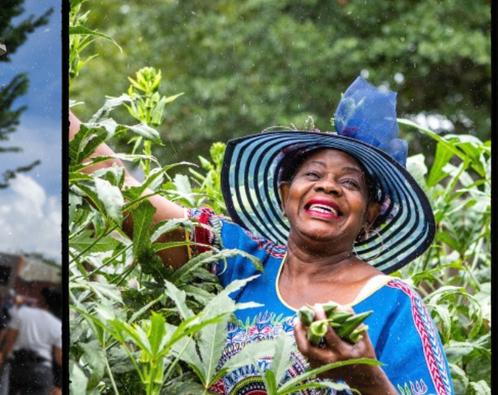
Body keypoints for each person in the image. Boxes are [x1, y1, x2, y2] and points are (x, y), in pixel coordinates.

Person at [70, 77, 453, 394]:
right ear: (287, 196)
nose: (329, 186)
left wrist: (365, 379)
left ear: (369, 214)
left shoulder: (394, 305)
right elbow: (126, 197)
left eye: (349, 183)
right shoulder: (237, 260)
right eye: (313, 175)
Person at [0, 287, 62, 395]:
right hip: (42, 370)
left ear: (44, 301)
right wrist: (58, 383)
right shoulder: (58, 325)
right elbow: (59, 358)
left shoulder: (24, 312)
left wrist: (3, 361)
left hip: (18, 366)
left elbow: (9, 341)